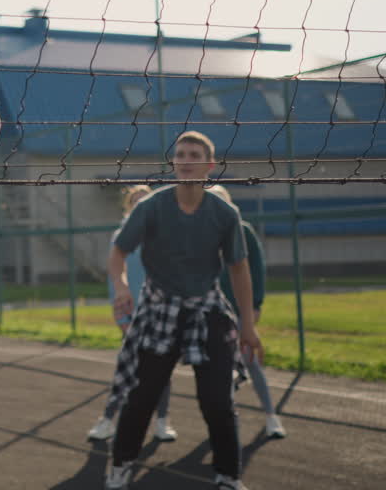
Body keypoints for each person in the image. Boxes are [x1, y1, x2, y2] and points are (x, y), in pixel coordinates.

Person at [104, 131, 263, 490]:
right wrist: (122, 286)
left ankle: (228, 475)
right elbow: (118, 252)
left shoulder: (224, 214)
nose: (186, 159)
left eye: (194, 154)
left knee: (218, 401)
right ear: (173, 162)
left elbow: (239, 269)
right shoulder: (151, 207)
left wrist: (248, 326)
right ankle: (121, 464)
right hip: (160, 310)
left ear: (209, 165)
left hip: (206, 310)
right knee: (142, 397)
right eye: (180, 154)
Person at [87, 184, 176, 444]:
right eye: (135, 202)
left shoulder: (164, 236)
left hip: (159, 313)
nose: (140, 205)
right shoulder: (121, 237)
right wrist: (122, 316)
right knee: (128, 369)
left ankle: (162, 421)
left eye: (144, 201)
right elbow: (114, 278)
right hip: (132, 314)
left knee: (161, 370)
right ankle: (107, 421)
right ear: (128, 208)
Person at [208, 185, 287, 439]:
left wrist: (255, 306)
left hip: (241, 311)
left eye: (221, 201)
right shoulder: (204, 234)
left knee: (250, 362)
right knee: (218, 370)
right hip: (215, 312)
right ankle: (226, 425)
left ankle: (271, 416)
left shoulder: (243, 231)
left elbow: (256, 269)